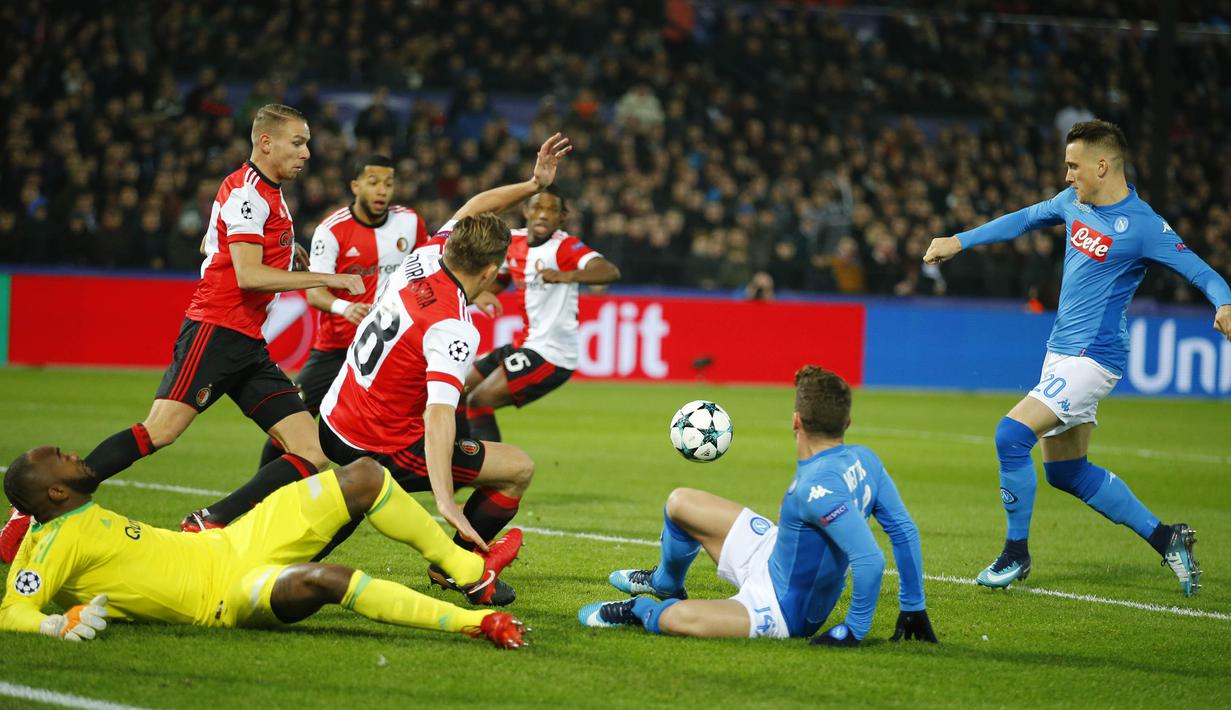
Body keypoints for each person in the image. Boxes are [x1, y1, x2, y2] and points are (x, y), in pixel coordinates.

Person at [204, 134, 573, 609]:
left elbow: (478, 204)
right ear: (489, 273)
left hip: (337, 416)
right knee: (517, 469)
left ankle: (236, 547)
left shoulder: (425, 257)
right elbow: (439, 417)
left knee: (333, 520)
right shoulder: (454, 328)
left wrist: (532, 183)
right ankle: (458, 564)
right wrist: (446, 501)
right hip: (378, 443)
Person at [0, 104, 366, 562]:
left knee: (310, 453)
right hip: (215, 330)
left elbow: (210, 243)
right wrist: (327, 279)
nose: (307, 153)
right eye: (298, 142)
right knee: (160, 432)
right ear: (265, 142)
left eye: (307, 143)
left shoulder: (263, 194)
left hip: (248, 342)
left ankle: (209, 520)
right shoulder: (249, 194)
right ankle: (30, 510)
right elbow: (248, 276)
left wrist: (281, 250)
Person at [923, 119, 1231, 596]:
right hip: (1059, 352)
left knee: (1010, 435)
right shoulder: (1073, 204)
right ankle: (1167, 537)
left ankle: (1015, 555)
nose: (1067, 176)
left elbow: (1205, 273)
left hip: (1095, 358)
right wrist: (959, 241)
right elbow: (1024, 218)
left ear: (1102, 166)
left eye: (1074, 166)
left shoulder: (1145, 227)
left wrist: (1224, 303)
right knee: (1066, 472)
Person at [0, 447, 526, 648]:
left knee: (364, 475)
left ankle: (469, 573)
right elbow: (12, 610)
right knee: (329, 578)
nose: (74, 455)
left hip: (232, 543)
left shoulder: (65, 514)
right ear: (54, 492)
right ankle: (476, 624)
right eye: (61, 459)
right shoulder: (51, 544)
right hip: (225, 596)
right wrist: (52, 623)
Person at [578, 366, 937, 646]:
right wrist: (913, 606)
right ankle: (666, 584)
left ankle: (641, 608)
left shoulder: (813, 490)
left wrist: (854, 630)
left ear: (795, 421)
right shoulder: (866, 459)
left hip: (782, 607)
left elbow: (870, 560)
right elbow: (903, 531)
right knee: (680, 503)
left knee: (676, 620)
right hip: (775, 553)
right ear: (847, 422)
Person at [254, 155, 430, 469]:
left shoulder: (410, 222)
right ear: (355, 186)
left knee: (398, 426)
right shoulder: (331, 230)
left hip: (386, 349)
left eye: (388, 184)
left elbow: (425, 272)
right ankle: (261, 493)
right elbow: (314, 294)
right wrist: (345, 307)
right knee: (291, 420)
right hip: (336, 348)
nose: (382, 192)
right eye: (373, 183)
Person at [465, 189, 621, 442]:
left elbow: (608, 271)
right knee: (459, 391)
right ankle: (459, 467)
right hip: (524, 345)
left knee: (479, 400)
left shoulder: (564, 246)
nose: (543, 215)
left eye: (551, 211)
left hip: (552, 354)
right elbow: (500, 279)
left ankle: (492, 475)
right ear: (526, 211)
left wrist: (567, 275)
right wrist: (474, 295)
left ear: (561, 218)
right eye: (537, 208)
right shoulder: (511, 243)